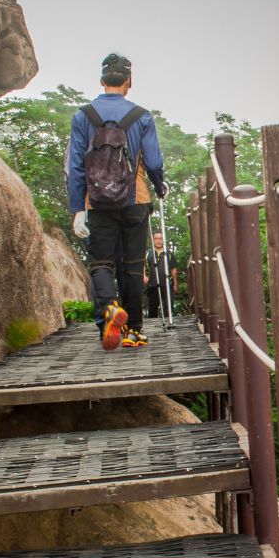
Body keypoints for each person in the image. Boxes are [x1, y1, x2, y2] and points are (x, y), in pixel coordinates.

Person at [67, 53, 166, 351]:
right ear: (128, 82)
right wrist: (160, 185)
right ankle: (133, 331)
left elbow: (75, 167)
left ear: (101, 81)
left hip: (97, 201)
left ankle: (110, 308)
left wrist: (78, 208)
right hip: (135, 200)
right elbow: (153, 160)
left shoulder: (83, 116)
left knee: (101, 263)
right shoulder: (142, 116)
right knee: (133, 266)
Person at [144, 231, 179, 319]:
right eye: (156, 239)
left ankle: (170, 327)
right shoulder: (148, 253)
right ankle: (153, 330)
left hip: (167, 284)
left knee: (169, 308)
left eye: (160, 238)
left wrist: (175, 284)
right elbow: (142, 265)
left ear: (163, 240)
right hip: (152, 285)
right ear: (153, 240)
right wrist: (144, 276)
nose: (158, 241)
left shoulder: (168, 253)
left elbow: (173, 268)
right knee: (152, 308)